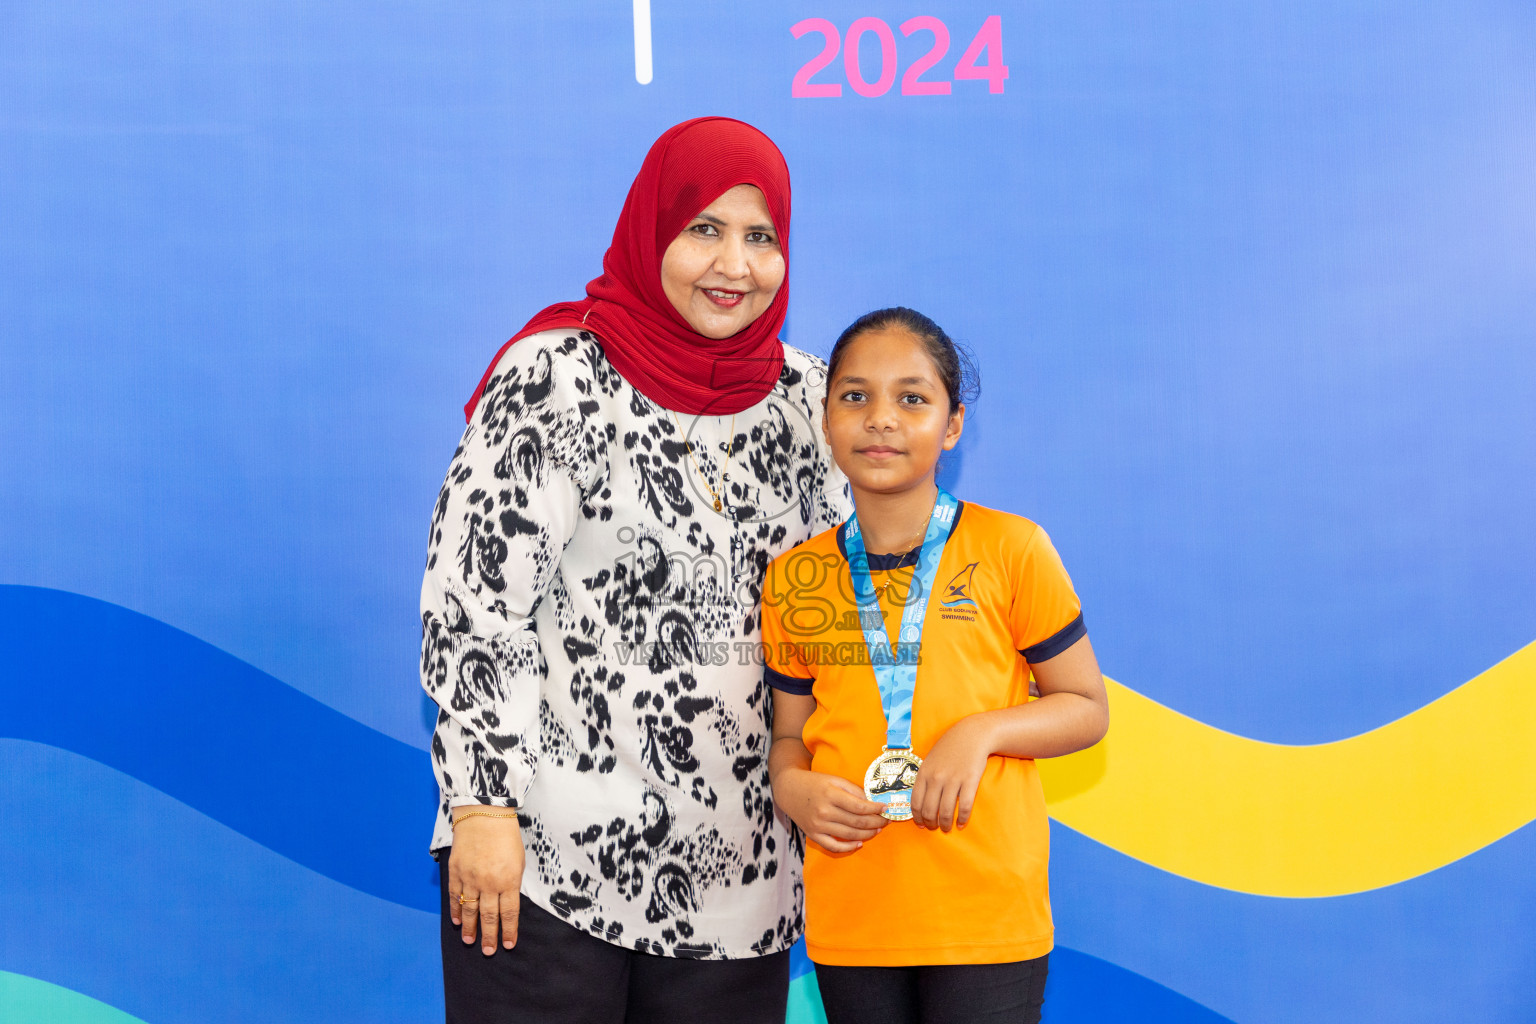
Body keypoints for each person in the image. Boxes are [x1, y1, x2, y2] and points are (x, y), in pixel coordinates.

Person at [419, 117, 849, 1024]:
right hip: (546, 864)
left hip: (742, 883)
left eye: (761, 237)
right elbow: (475, 607)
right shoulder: (560, 377)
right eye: (704, 229)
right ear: (654, 229)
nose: (734, 264)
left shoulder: (811, 401)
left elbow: (844, 614)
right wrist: (484, 809)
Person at [761, 307, 1110, 1024]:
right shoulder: (793, 578)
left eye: (912, 398)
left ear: (952, 427)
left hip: (985, 919)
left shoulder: (1012, 549)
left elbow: (1085, 707)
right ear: (826, 422)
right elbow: (789, 736)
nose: (881, 418)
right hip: (854, 917)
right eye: (855, 396)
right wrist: (791, 787)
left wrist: (978, 734)